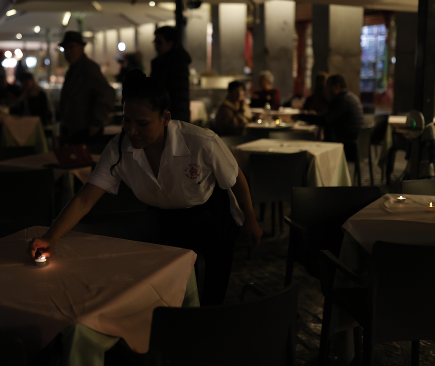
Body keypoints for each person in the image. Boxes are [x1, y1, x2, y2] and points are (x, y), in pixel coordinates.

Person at [29, 70, 263, 306]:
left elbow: (235, 178)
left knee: (209, 295)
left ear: (165, 118)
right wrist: (50, 237)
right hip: (163, 220)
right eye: (126, 121)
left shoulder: (200, 141)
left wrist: (251, 218)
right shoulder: (119, 149)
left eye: (142, 123)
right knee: (170, 294)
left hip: (210, 218)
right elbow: (85, 199)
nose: (132, 131)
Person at [58, 31, 115, 145]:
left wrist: (96, 122)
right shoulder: (75, 68)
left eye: (71, 47)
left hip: (84, 131)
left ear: (82, 48)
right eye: (65, 48)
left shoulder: (88, 67)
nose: (67, 51)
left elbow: (107, 93)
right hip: (76, 129)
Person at [293, 74, 364, 151]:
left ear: (337, 87)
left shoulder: (341, 100)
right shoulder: (351, 97)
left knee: (302, 145)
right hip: (354, 144)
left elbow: (324, 120)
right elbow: (330, 116)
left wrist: (300, 116)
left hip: (343, 146)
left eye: (327, 87)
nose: (325, 91)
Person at [150, 26, 191, 122]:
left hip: (172, 117)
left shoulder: (177, 63)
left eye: (159, 42)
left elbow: (179, 96)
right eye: (155, 42)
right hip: (163, 115)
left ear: (171, 43)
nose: (156, 46)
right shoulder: (161, 63)